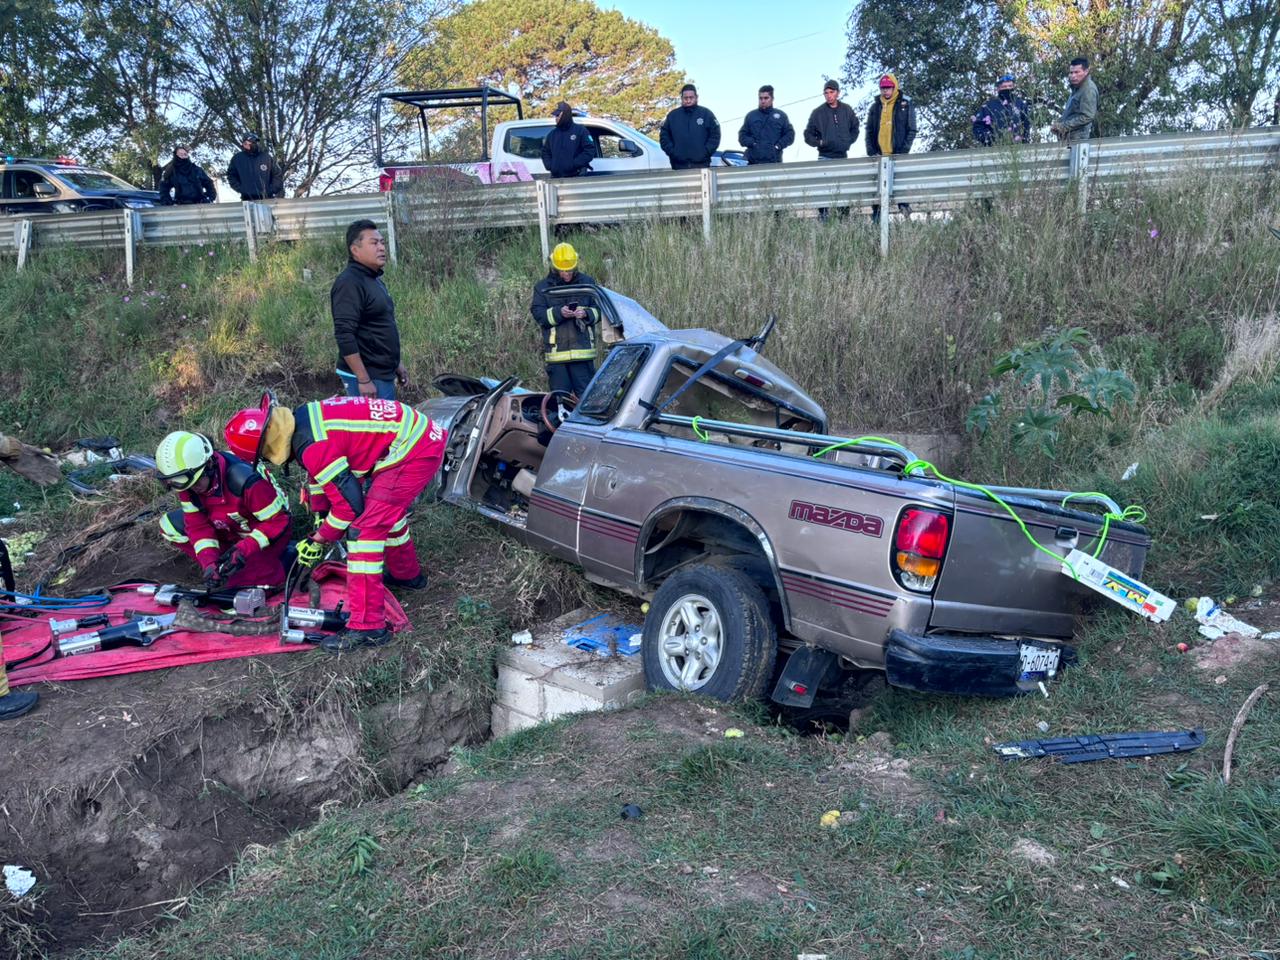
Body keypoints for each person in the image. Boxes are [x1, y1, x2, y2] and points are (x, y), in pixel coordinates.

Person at [224, 394, 447, 652]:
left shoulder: (312, 445)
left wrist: (319, 539)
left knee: (364, 532)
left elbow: (350, 507)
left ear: (265, 448)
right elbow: (321, 475)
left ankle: (368, 627)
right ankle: (407, 576)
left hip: (414, 450)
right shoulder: (302, 419)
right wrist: (321, 514)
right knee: (387, 514)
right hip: (416, 436)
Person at [155, 430, 291, 590]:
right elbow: (197, 526)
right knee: (169, 526)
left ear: (208, 466)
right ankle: (226, 564)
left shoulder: (244, 480)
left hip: (265, 531)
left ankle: (283, 560)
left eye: (197, 483)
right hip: (229, 527)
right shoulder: (187, 482)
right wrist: (209, 562)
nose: (193, 489)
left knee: (240, 594)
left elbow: (280, 520)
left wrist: (244, 549)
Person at [332, 219, 407, 400]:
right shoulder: (349, 283)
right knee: (379, 428)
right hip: (368, 378)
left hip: (381, 373)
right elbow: (344, 333)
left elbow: (379, 325)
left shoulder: (373, 280)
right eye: (374, 243)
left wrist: (397, 363)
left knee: (387, 427)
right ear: (355, 250)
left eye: (382, 242)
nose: (381, 247)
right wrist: (363, 380)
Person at [530, 242, 600, 397]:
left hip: (583, 354)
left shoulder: (587, 283)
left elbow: (600, 311)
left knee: (587, 399)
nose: (567, 273)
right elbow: (538, 314)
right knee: (560, 401)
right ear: (555, 268)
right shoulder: (542, 287)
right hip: (557, 357)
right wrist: (559, 313)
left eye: (569, 270)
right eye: (563, 271)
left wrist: (586, 313)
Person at [804, 79, 860, 220]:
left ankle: (844, 219)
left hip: (842, 156)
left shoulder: (846, 110)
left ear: (838, 93)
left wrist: (848, 142)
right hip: (825, 157)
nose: (829, 95)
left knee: (843, 189)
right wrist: (820, 142)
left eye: (831, 92)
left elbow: (855, 128)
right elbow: (808, 135)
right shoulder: (818, 113)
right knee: (824, 190)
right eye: (826, 93)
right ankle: (823, 218)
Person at [865, 73, 917, 223]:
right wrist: (871, 151)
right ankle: (876, 227)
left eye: (888, 88)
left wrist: (903, 151)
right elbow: (869, 130)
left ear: (894, 87)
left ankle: (909, 225)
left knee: (901, 194)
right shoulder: (875, 107)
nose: (885, 91)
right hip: (879, 157)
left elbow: (912, 129)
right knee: (878, 196)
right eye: (883, 88)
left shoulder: (906, 104)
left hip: (898, 156)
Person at [659, 84, 721, 170]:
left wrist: (705, 152)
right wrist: (673, 153)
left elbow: (715, 135)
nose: (688, 100)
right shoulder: (673, 116)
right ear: (681, 98)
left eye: (691, 98)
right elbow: (664, 136)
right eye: (685, 98)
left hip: (702, 165)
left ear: (696, 97)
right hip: (678, 166)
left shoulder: (706, 114)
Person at [738, 85, 795, 164]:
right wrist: (753, 143)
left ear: (772, 99)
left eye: (766, 98)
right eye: (760, 98)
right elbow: (742, 136)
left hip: (774, 162)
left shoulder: (781, 116)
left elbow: (790, 135)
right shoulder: (751, 116)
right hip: (753, 163)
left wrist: (778, 146)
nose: (763, 101)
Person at [972, 75, 1031, 146]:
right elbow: (978, 127)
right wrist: (991, 139)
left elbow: (1027, 125)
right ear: (998, 89)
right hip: (995, 149)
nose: (1007, 88)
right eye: (1004, 87)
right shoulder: (988, 106)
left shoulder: (1020, 104)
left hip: (1018, 147)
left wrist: (1024, 139)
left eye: (1010, 86)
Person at [541, 102, 595, 178]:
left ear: (565, 115)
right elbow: (545, 152)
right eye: (555, 116)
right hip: (556, 178)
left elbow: (590, 150)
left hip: (576, 177)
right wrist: (551, 166)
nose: (556, 118)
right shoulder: (552, 134)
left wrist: (573, 164)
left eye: (558, 115)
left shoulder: (580, 131)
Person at [1051, 57, 1099, 142]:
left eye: (1077, 72)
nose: (1073, 76)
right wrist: (1059, 123)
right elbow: (1072, 113)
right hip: (1068, 138)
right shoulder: (1077, 88)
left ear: (1086, 72)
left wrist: (1063, 126)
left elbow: (1087, 116)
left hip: (1077, 140)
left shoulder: (1088, 89)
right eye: (1071, 72)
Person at [226, 133, 284, 201]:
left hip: (267, 198)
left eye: (256, 142)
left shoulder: (266, 157)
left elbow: (277, 175)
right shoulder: (237, 159)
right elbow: (231, 176)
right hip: (247, 199)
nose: (255, 144)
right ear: (245, 144)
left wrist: (271, 190)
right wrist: (241, 189)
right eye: (252, 142)